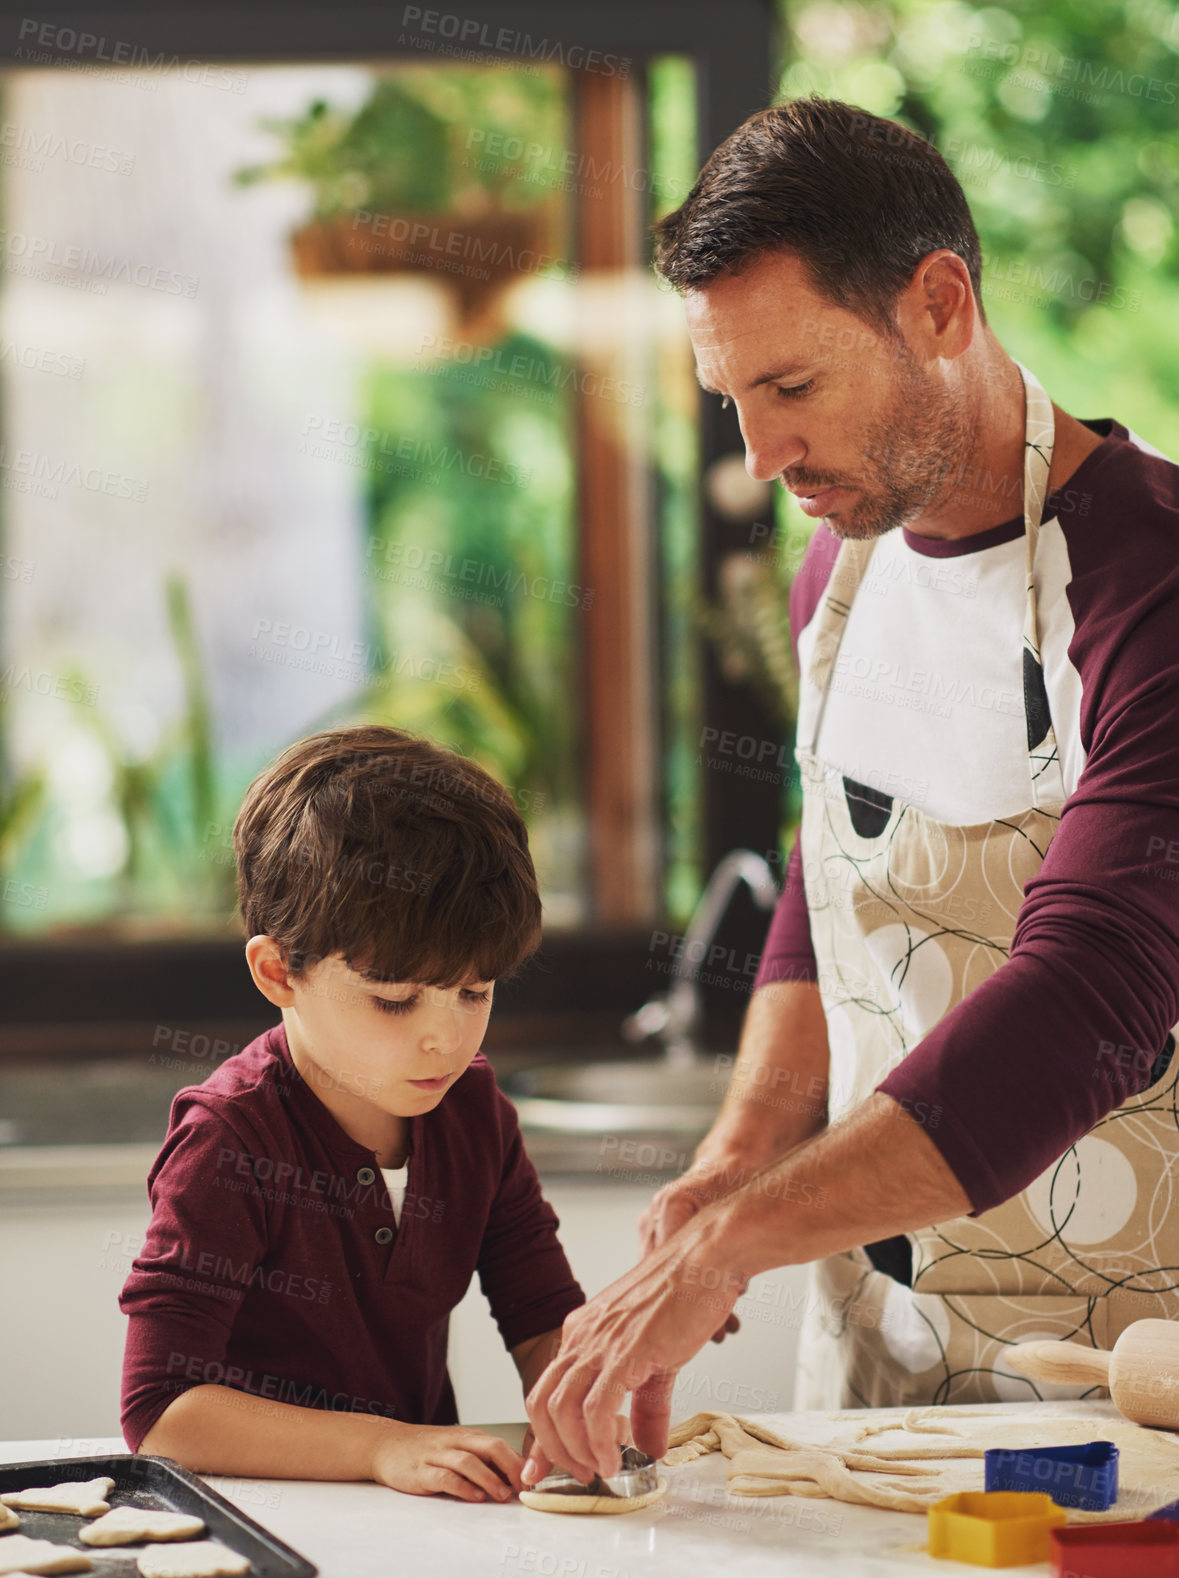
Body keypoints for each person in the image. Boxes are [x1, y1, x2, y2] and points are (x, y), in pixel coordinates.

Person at [522, 95, 1179, 1488]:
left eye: (793, 388)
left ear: (937, 305)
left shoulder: (1154, 590)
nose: (757, 460)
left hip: (1130, 1399)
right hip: (877, 1385)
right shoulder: (839, 576)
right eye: (730, 401)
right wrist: (736, 1155)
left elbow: (1093, 998)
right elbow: (822, 893)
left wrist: (722, 1245)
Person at [119, 725, 585, 1502]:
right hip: (267, 1526)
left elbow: (542, 1318)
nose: (446, 1036)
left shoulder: (474, 1113)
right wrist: (380, 1448)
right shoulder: (230, 1139)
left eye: (475, 992)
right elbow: (161, 1412)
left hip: (424, 1525)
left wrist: (586, 1391)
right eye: (394, 1000)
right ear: (278, 973)